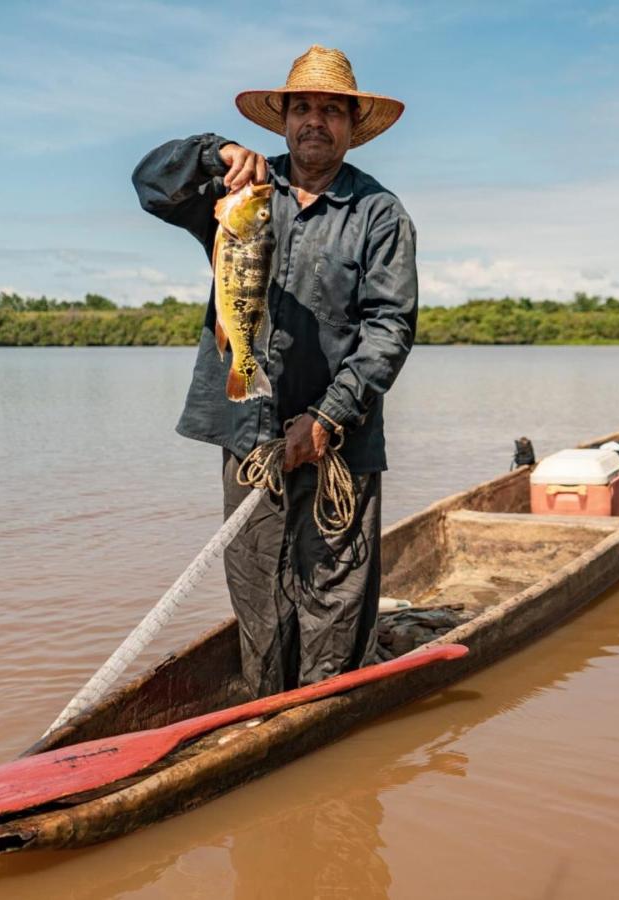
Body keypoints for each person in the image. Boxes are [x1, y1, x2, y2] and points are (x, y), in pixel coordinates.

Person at [132, 45, 417, 698]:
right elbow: (149, 184)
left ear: (351, 125)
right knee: (259, 585)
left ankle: (321, 722)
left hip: (337, 441)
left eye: (330, 111)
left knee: (334, 594)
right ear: (282, 120)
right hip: (248, 431)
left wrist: (327, 418)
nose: (315, 121)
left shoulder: (379, 215)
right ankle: (267, 708)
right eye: (302, 108)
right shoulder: (239, 194)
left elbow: (389, 329)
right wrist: (214, 154)